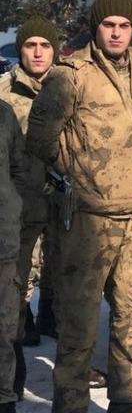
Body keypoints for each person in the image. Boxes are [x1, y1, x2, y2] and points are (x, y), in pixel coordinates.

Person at [27, 0, 132, 412]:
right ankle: (71, 402)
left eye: (125, 26)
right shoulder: (71, 75)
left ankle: (129, 398)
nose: (118, 33)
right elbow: (40, 139)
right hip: (88, 220)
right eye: (110, 25)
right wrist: (74, 174)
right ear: (96, 28)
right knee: (79, 321)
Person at [0, 15, 59, 354]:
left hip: (65, 206)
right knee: (18, 285)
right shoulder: (3, 95)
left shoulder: (70, 87)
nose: (38, 53)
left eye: (45, 46)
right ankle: (15, 363)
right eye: (30, 45)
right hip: (22, 208)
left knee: (66, 285)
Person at [0, 97, 26, 412]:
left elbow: (19, 170)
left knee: (3, 327)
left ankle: (5, 397)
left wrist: (10, 208)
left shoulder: (3, 114)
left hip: (2, 241)